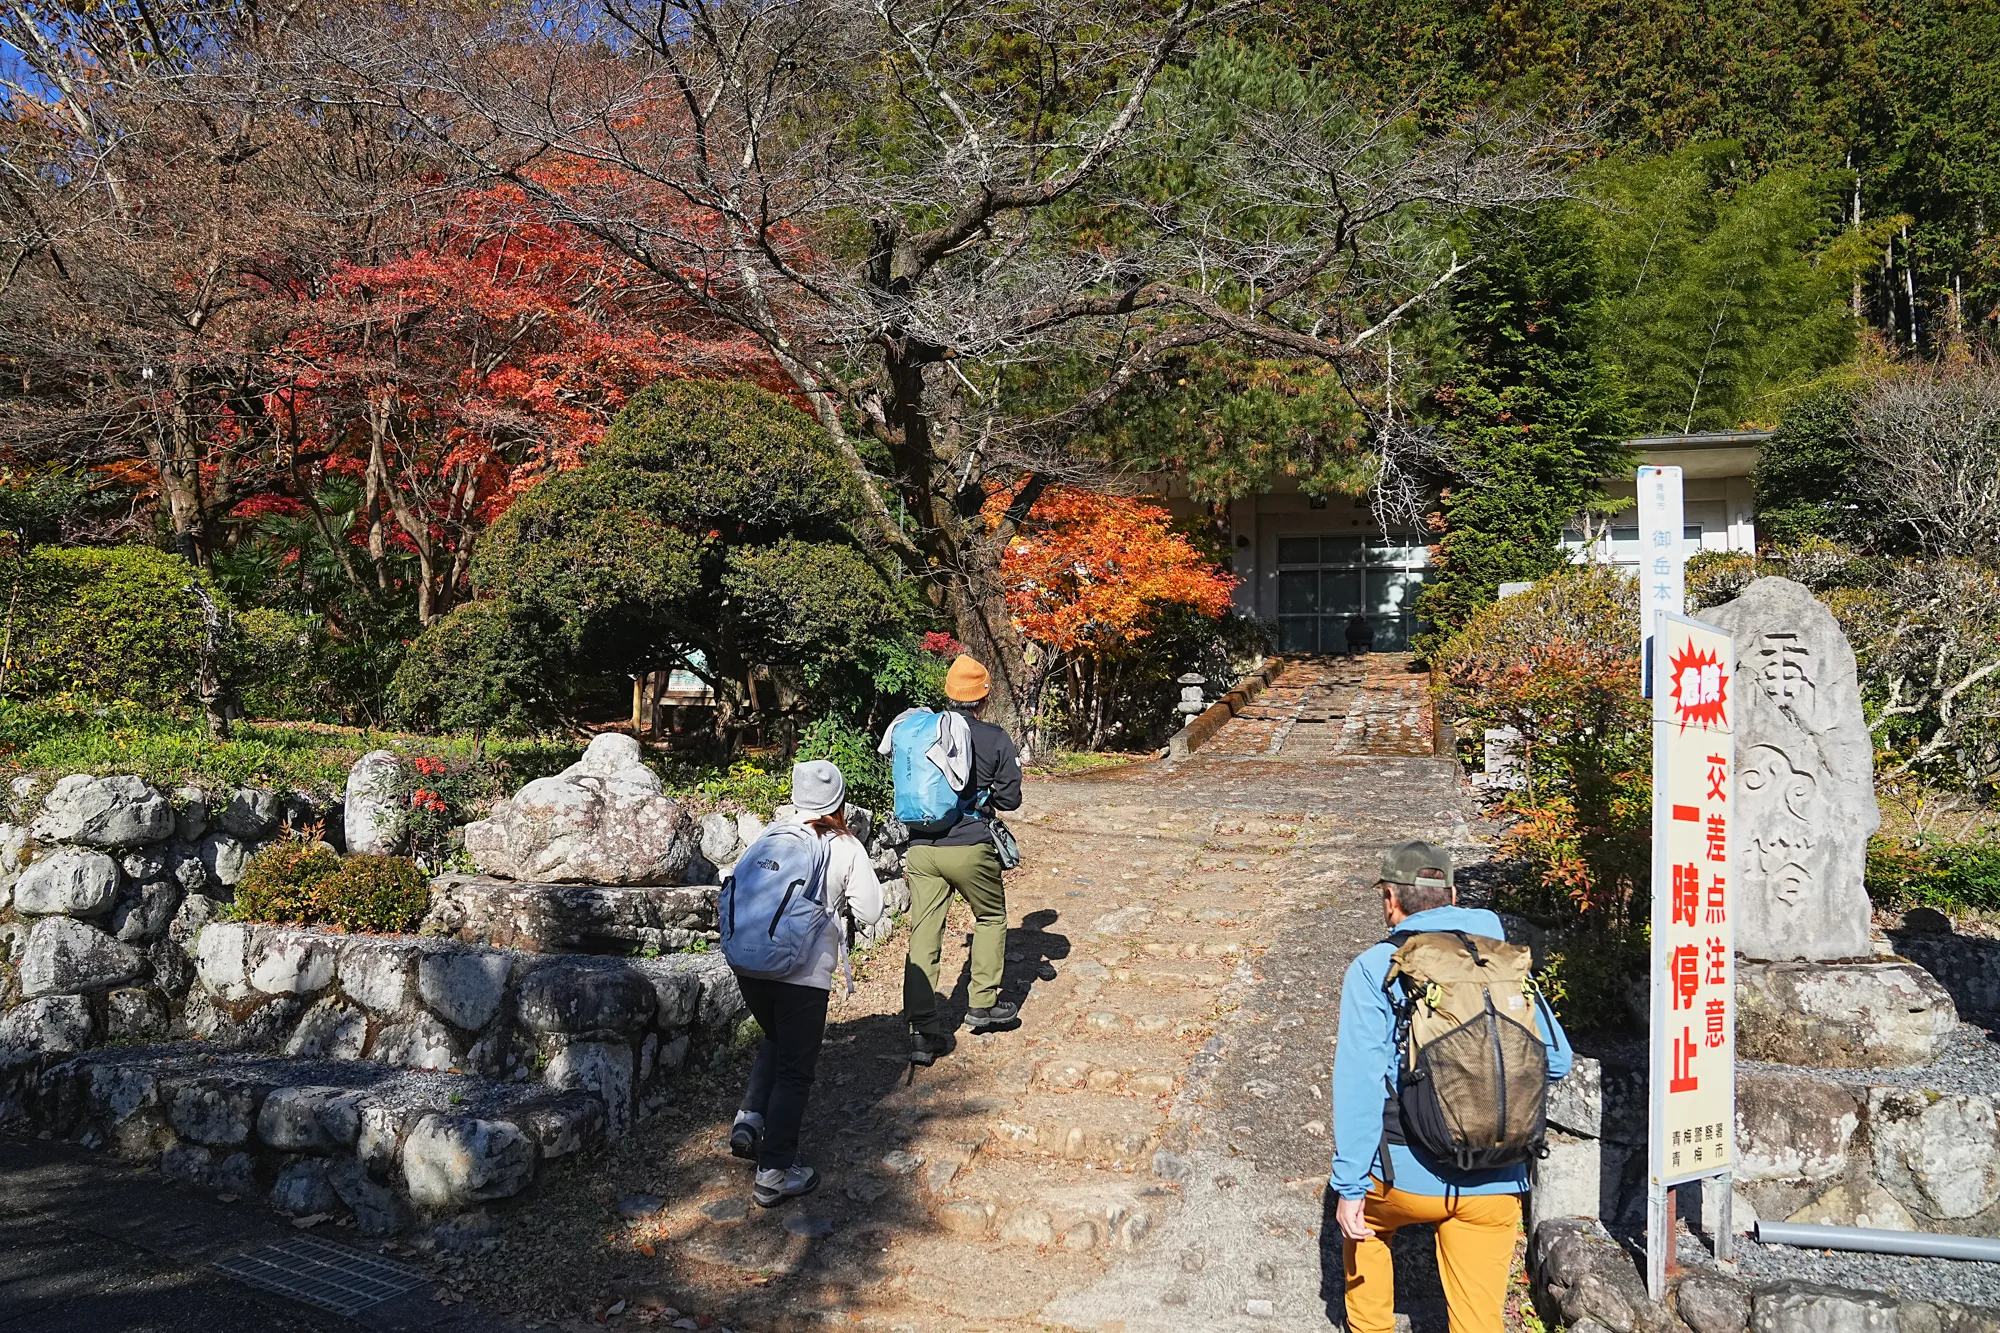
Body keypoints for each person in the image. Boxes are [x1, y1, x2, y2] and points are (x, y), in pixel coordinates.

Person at [1330, 840, 1573, 1333]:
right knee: (1478, 1321)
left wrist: (1350, 1187)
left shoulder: (1376, 967)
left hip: (1402, 1173)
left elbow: (1360, 1084)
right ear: (1454, 895)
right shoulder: (1502, 959)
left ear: (1390, 901)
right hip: (1497, 1173)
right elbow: (1557, 1060)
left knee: (1367, 1230)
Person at [728, 759, 885, 1206]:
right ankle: (775, 1171)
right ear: (838, 800)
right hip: (803, 973)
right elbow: (872, 911)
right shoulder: (845, 846)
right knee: (796, 1071)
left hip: (748, 964)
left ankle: (750, 1119)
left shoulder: (770, 836)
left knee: (776, 1038)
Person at [899, 653, 1023, 1065]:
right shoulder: (994, 737)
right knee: (990, 917)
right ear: (984, 697)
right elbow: (1010, 799)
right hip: (969, 846)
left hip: (921, 847)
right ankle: (982, 1004)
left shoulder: (921, 731)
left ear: (949, 695)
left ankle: (921, 1030)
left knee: (924, 931)